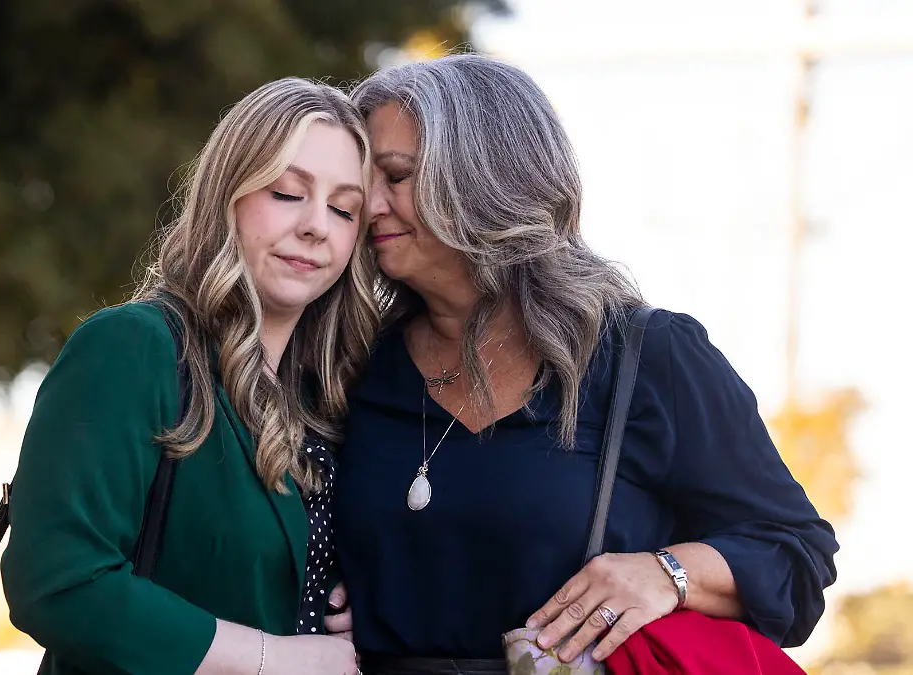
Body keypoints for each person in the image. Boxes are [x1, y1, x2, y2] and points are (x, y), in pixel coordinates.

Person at [331, 54, 839, 674]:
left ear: (488, 179)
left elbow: (795, 558)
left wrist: (666, 574)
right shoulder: (347, 365)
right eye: (364, 181)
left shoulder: (647, 356)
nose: (368, 204)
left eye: (397, 176)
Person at [1, 77, 379, 675]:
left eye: (343, 208)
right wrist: (273, 660)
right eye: (286, 192)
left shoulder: (332, 399)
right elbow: (57, 580)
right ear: (228, 194)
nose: (317, 225)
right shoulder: (134, 348)